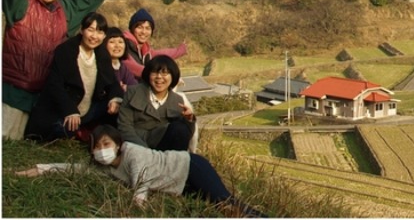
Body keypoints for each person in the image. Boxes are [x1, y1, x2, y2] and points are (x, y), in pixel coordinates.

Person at [16, 124, 262, 215]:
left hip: (189, 166)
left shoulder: (133, 152)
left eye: (106, 144)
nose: (102, 150)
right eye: (97, 147)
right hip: (178, 186)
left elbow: (141, 179)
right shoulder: (102, 168)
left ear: (118, 144)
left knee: (224, 199)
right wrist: (40, 169)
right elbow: (73, 168)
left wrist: (138, 204)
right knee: (218, 208)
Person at [2, 0, 119, 140]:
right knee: (7, 141)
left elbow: (85, 1)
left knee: (35, 141)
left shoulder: (64, 11)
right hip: (15, 92)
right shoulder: (22, 3)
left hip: (45, 97)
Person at [25, 12, 123, 142]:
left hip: (87, 110)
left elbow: (112, 82)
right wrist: (70, 110)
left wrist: (114, 99)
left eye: (99, 32)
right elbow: (55, 85)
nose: (94, 36)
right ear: (82, 30)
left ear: (104, 35)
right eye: (90, 30)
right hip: (63, 111)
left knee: (120, 107)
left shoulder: (101, 53)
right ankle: (80, 132)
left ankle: (96, 134)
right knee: (63, 130)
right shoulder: (66, 50)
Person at [117, 55, 196, 152]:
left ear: (173, 76)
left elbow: (183, 136)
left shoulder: (177, 100)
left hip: (163, 148)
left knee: (180, 128)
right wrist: (145, 152)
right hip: (137, 146)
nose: (159, 77)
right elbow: (124, 126)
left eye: (165, 73)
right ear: (148, 74)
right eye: (154, 72)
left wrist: (189, 120)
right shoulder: (133, 92)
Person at [123, 7, 188, 81]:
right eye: (140, 27)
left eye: (148, 28)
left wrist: (180, 50)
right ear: (132, 28)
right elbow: (131, 66)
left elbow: (160, 54)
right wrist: (156, 75)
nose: (144, 32)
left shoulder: (143, 49)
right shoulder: (124, 45)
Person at [105, 27, 138, 92]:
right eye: (112, 42)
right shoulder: (101, 67)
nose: (117, 45)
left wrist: (127, 88)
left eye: (120, 42)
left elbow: (135, 87)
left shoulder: (122, 67)